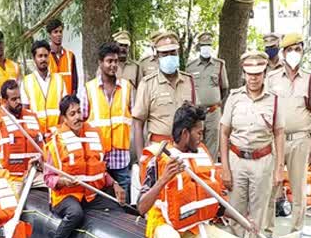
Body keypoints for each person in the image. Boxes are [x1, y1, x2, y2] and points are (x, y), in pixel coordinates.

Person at [137, 103, 253, 238]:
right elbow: (141, 206)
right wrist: (163, 179)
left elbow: (215, 201)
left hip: (192, 227)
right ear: (184, 134)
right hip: (163, 225)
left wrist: (243, 220)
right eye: (198, 133)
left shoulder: (199, 157)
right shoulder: (159, 160)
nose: (202, 138)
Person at [43, 95, 126, 238]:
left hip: (90, 195)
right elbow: (48, 178)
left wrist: (116, 184)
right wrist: (62, 181)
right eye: (72, 114)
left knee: (116, 207)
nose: (77, 117)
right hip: (65, 196)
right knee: (75, 213)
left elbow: (100, 171)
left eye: (79, 111)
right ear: (64, 118)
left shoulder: (93, 135)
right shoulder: (56, 141)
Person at [220, 51, 285, 238]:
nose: (253, 78)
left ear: (264, 73)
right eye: (249, 74)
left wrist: (279, 169)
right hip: (237, 159)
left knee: (258, 216)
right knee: (236, 214)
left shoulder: (274, 100)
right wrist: (225, 167)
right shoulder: (234, 97)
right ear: (244, 74)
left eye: (257, 74)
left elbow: (279, 134)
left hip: (262, 161)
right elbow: (223, 131)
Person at [266, 32, 311, 234]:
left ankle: (296, 232)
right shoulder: (272, 78)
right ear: (283, 52)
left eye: (297, 49)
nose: (293, 53)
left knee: (298, 190)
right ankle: (267, 233)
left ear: (302, 52)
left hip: (300, 140)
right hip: (275, 141)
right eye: (289, 50)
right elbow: (265, 109)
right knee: (271, 188)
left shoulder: (310, 80)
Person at [79, 42, 134, 201]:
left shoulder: (126, 87)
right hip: (97, 158)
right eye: (109, 61)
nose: (113, 65)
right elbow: (81, 123)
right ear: (100, 62)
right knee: (99, 204)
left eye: (116, 61)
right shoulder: (88, 89)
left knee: (124, 204)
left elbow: (133, 117)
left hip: (121, 159)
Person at [132, 31, 197, 161]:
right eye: (165, 54)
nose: (169, 56)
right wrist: (141, 159)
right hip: (159, 150)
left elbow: (196, 119)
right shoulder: (147, 84)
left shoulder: (188, 81)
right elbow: (138, 123)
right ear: (157, 57)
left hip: (185, 151)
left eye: (173, 53)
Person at [0, 79, 45, 191]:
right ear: (4, 101)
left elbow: (44, 143)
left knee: (53, 193)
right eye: (14, 99)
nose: (18, 101)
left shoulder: (32, 116)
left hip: (35, 174)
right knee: (14, 204)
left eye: (19, 98)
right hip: (12, 177)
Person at [186, 31, 228, 160]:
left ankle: (211, 171)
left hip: (213, 112)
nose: (206, 48)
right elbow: (188, 88)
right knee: (196, 142)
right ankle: (198, 171)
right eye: (204, 45)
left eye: (208, 45)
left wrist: (215, 102)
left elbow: (224, 88)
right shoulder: (190, 66)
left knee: (213, 144)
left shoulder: (219, 64)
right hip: (197, 113)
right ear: (199, 47)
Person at [21, 39, 66, 136]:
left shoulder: (59, 80)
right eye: (40, 56)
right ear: (34, 58)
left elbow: (65, 110)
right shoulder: (26, 82)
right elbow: (25, 111)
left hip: (56, 134)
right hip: (36, 136)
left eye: (46, 56)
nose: (43, 59)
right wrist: (33, 134)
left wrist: (59, 131)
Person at [45, 18, 79, 95]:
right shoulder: (45, 57)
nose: (59, 34)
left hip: (67, 103)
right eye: (55, 32)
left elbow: (74, 84)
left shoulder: (70, 56)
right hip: (51, 103)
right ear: (49, 35)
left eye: (60, 32)